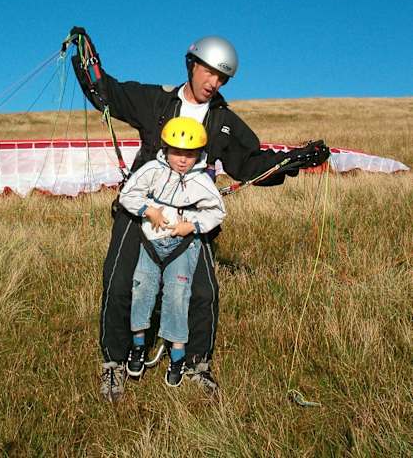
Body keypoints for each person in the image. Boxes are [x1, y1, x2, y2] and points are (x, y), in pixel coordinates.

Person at [69, 27, 330, 402]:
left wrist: (291, 160)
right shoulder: (154, 102)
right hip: (144, 208)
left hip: (192, 217)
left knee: (204, 291)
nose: (214, 82)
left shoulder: (225, 121)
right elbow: (106, 92)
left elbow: (248, 164)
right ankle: (115, 363)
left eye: (222, 77)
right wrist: (87, 62)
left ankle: (196, 365)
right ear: (191, 65)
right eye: (209, 72)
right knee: (120, 279)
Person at [119, 117, 225, 387]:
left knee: (177, 297)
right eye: (177, 152)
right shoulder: (152, 170)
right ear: (166, 149)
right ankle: (138, 346)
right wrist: (148, 210)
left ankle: (177, 356)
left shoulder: (201, 181)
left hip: (183, 247)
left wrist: (192, 225)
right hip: (150, 244)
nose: (182, 160)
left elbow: (217, 211)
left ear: (198, 154)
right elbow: (128, 194)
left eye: (189, 154)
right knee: (142, 290)